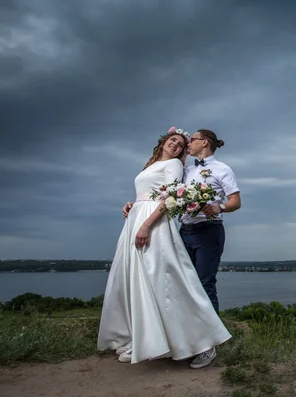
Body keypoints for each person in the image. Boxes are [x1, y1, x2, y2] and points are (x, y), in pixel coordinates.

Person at [97, 127, 232, 366]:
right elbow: (148, 193)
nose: (178, 146)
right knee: (140, 281)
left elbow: (169, 198)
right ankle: (145, 339)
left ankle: (203, 341)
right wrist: (132, 204)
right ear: (162, 142)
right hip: (138, 218)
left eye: (182, 144)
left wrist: (146, 225)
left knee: (171, 281)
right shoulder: (153, 164)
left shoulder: (176, 166)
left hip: (153, 222)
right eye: (174, 141)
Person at [178, 128, 241, 368]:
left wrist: (219, 207)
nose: (188, 143)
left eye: (191, 139)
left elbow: (236, 201)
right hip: (185, 231)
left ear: (204, 142)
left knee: (205, 284)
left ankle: (208, 345)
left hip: (209, 231)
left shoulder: (222, 169)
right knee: (183, 284)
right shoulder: (187, 169)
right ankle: (188, 340)